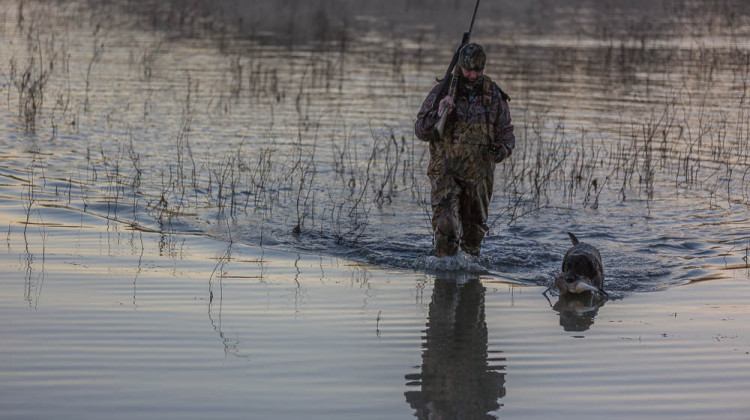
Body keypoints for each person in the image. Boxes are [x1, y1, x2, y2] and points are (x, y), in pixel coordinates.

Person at [415, 43, 515, 257]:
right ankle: (444, 280)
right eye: (468, 70)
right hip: (445, 173)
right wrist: (440, 112)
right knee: (446, 226)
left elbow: (506, 134)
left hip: (479, 178)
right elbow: (421, 130)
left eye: (477, 70)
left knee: (472, 241)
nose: (472, 75)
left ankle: (470, 283)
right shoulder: (442, 91)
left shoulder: (494, 95)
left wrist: (502, 150)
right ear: (459, 66)